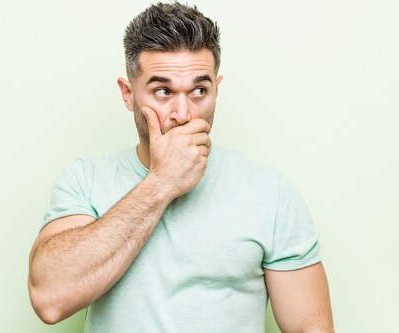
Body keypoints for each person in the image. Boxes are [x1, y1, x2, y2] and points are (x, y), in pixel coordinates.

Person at [28, 2, 334, 332]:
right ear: (128, 94)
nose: (183, 113)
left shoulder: (269, 193)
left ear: (217, 89)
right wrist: (161, 182)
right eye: (163, 91)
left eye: (199, 90)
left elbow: (310, 327)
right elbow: (50, 298)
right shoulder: (86, 181)